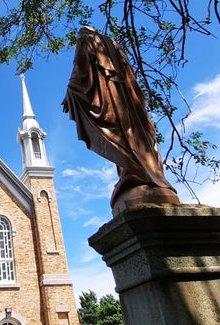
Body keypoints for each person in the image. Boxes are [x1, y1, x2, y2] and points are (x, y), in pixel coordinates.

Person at [62, 26, 179, 214]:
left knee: (121, 137)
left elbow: (80, 69)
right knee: (138, 136)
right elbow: (132, 79)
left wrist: (71, 91)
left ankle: (135, 172)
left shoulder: (86, 41)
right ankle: (151, 173)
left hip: (110, 101)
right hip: (128, 102)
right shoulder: (114, 44)